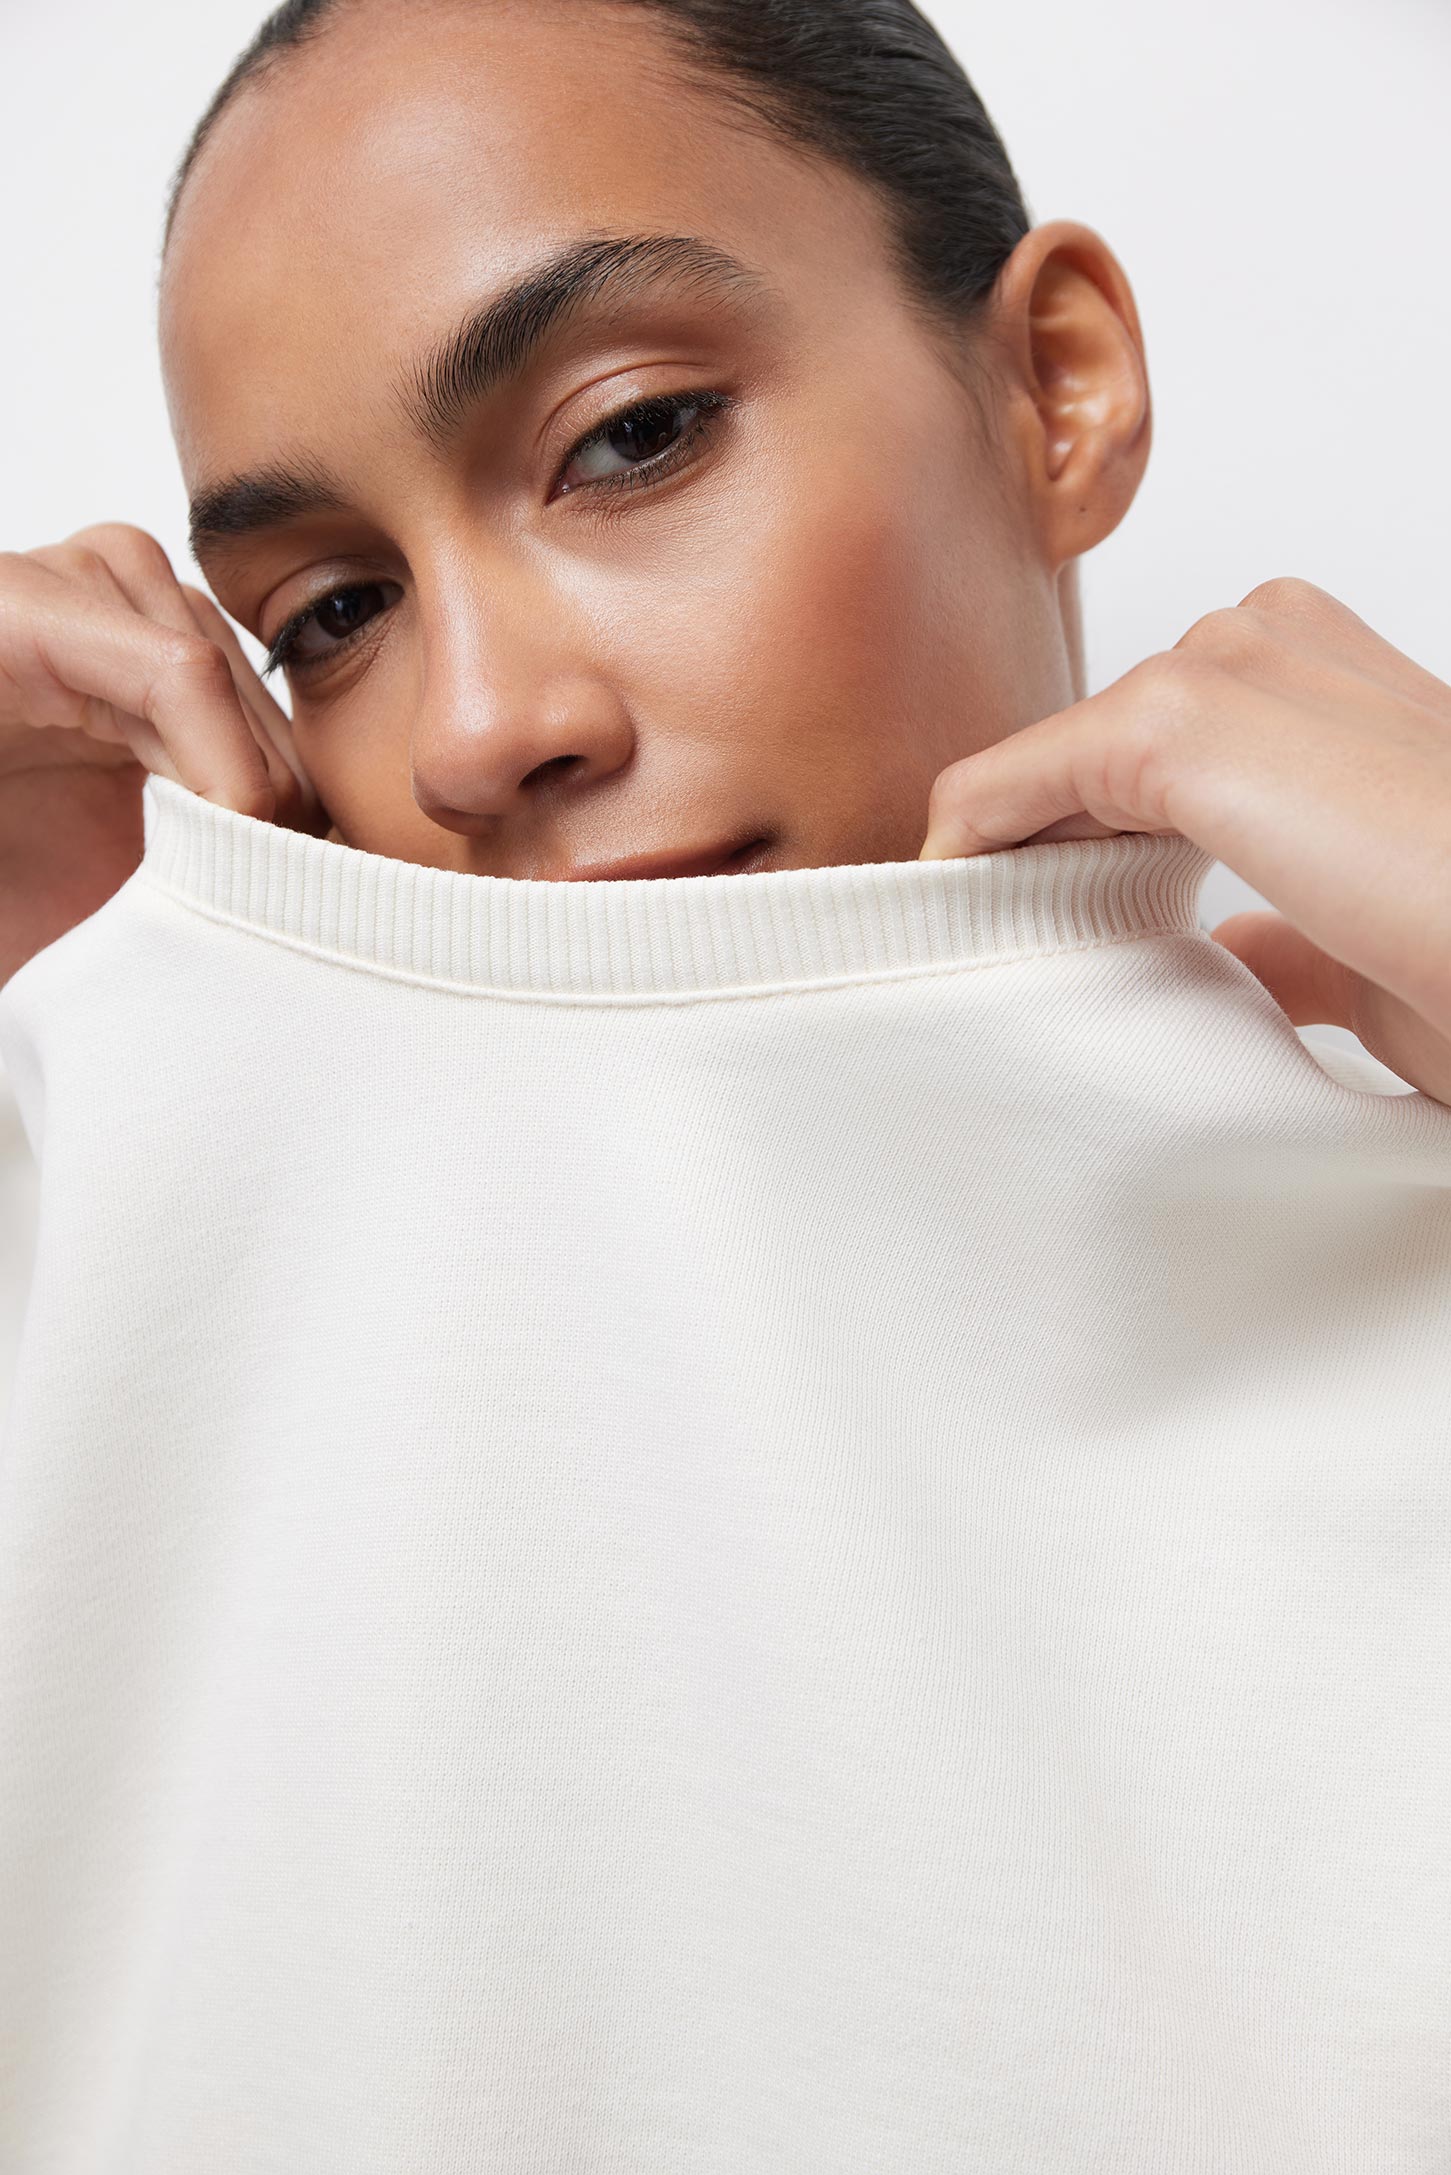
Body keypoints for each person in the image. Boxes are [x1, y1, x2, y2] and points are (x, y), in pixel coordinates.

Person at [0, 2, 1448, 2167]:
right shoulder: (107, 1296)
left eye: (632, 438)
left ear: (1055, 384)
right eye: (332, 612)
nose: (475, 730)